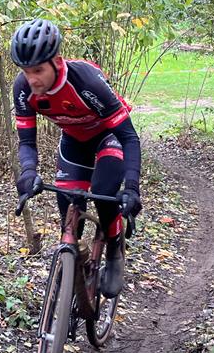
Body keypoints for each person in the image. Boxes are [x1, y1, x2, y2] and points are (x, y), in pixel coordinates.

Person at [11, 18, 142, 297]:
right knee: (70, 207)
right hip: (74, 140)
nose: (32, 79)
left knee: (104, 194)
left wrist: (132, 187)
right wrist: (28, 171)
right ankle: (73, 264)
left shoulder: (86, 82)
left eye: (38, 70)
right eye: (25, 71)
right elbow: (27, 142)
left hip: (109, 136)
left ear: (57, 62)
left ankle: (115, 250)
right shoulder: (23, 89)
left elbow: (129, 138)